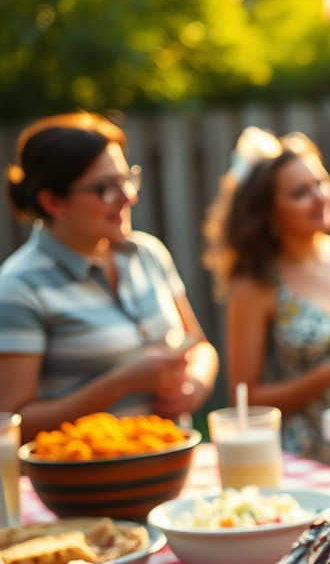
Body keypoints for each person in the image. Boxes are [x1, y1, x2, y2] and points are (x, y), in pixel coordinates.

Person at [0, 112, 217, 440]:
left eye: (127, 178)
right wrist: (121, 383)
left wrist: (196, 383)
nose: (129, 196)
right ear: (52, 200)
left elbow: (200, 346)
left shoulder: (147, 254)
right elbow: (13, 423)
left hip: (171, 466)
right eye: (106, 188)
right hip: (88, 483)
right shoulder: (19, 288)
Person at [203, 127, 330, 470]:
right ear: (269, 213)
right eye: (300, 193)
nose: (320, 197)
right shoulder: (255, 283)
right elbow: (245, 401)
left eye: (321, 183)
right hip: (307, 459)